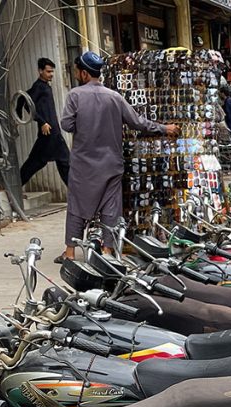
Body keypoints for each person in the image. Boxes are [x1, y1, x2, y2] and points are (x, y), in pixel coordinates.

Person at [58, 51, 179, 263]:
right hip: (111, 163)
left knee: (77, 206)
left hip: (83, 165)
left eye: (78, 71)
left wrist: (84, 124)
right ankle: (107, 250)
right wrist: (164, 128)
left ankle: (70, 252)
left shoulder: (75, 95)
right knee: (110, 207)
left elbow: (67, 125)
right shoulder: (114, 97)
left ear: (84, 74)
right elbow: (138, 122)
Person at [18, 57, 70, 186]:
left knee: (64, 163)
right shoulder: (39, 87)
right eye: (48, 71)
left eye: (52, 71)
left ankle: (77, 194)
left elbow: (22, 98)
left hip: (53, 133)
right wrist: (42, 122)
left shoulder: (44, 86)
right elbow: (27, 104)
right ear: (40, 71)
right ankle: (16, 186)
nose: (51, 74)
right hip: (49, 134)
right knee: (36, 162)